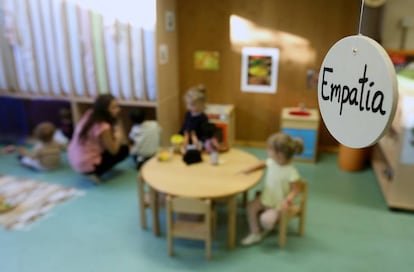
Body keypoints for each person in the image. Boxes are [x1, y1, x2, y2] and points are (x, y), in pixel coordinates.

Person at [240, 132, 304, 246]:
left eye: (270, 150)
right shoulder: (272, 162)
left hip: (278, 204)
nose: (268, 152)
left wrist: (287, 201)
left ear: (279, 154)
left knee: (266, 221)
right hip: (265, 198)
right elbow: (263, 163)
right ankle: (255, 233)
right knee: (250, 207)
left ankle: (274, 221)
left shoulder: (291, 172)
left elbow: (296, 190)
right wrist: (249, 169)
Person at [67, 94, 129, 184]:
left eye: (117, 106)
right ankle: (96, 172)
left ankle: (96, 168)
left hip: (73, 159)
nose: (118, 109)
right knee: (124, 149)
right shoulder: (103, 126)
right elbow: (114, 151)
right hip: (86, 164)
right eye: (114, 107)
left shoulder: (90, 113)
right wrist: (119, 136)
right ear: (105, 110)